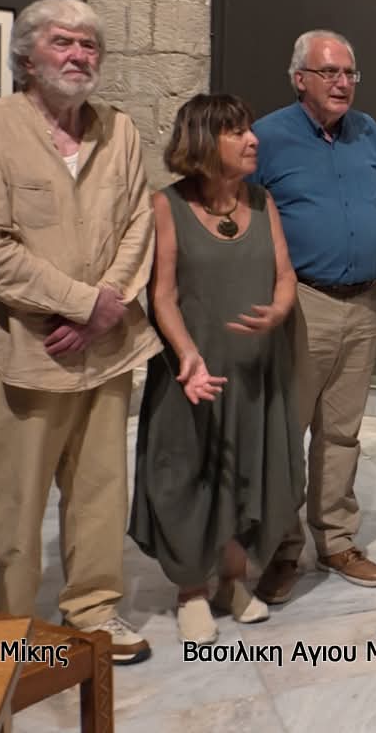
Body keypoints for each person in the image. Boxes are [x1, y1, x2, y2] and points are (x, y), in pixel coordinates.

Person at [0, 0, 160, 663]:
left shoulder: (119, 130)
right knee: (13, 503)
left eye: (89, 45)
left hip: (106, 349)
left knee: (100, 493)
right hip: (23, 352)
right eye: (63, 42)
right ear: (27, 58)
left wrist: (106, 308)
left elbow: (139, 225)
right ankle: (5, 630)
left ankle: (93, 610)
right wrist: (80, 303)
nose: (78, 56)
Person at [129, 94, 302, 645]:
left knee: (245, 473)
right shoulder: (167, 206)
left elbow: (285, 275)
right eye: (237, 132)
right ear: (205, 142)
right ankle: (190, 592)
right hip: (195, 372)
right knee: (190, 475)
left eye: (249, 129)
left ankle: (232, 581)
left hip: (253, 372)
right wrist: (186, 355)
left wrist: (279, 309)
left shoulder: (263, 201)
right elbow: (161, 295)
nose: (253, 140)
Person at [249, 30, 376, 601]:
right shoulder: (267, 137)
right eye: (329, 72)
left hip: (363, 304)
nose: (342, 83)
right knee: (287, 432)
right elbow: (239, 220)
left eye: (349, 73)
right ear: (299, 79)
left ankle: (336, 540)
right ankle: (282, 549)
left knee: (342, 432)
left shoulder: (368, 132)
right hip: (301, 302)